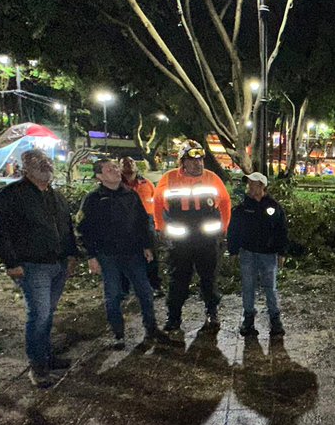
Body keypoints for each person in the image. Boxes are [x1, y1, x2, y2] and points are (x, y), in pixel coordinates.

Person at [0, 148, 80, 388]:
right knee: (39, 315)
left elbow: (67, 228)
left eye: (47, 160)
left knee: (47, 313)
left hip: (58, 264)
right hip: (32, 266)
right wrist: (11, 263)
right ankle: (38, 367)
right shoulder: (10, 195)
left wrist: (72, 255)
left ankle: (47, 356)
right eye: (38, 161)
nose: (45, 164)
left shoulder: (56, 196)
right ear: (25, 168)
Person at [78, 159, 162, 350]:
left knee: (145, 292)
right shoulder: (93, 199)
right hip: (108, 255)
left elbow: (142, 222)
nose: (116, 171)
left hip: (133, 253)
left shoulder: (130, 194)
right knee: (114, 294)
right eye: (110, 169)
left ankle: (151, 328)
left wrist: (147, 246)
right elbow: (84, 229)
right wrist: (91, 256)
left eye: (116, 167)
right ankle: (118, 334)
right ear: (99, 176)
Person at [152, 141, 231, 331]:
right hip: (180, 242)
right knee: (178, 279)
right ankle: (174, 318)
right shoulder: (169, 179)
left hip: (207, 240)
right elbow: (157, 203)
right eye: (193, 160)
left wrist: (225, 228)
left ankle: (212, 312)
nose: (198, 164)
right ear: (183, 162)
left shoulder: (212, 178)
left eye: (201, 160)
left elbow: (225, 203)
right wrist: (160, 227)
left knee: (208, 278)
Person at [226, 172, 289, 337]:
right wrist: (233, 251)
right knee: (248, 287)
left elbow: (281, 231)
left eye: (252, 183)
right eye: (249, 183)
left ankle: (275, 320)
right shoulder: (242, 208)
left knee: (270, 288)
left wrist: (282, 252)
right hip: (248, 254)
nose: (249, 187)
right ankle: (248, 319)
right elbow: (234, 230)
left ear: (262, 186)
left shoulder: (274, 207)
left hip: (268, 255)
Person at [120, 157, 162, 296]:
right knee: (125, 256)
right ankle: (125, 289)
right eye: (125, 163)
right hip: (124, 223)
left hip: (147, 222)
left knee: (151, 256)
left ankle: (154, 286)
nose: (129, 165)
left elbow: (156, 202)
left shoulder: (146, 183)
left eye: (131, 162)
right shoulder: (117, 185)